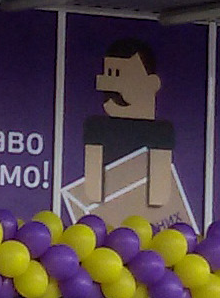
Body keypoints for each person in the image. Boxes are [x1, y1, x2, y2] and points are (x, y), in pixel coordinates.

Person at [63, 39, 192, 226]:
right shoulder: (97, 127)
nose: (113, 87)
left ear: (152, 83)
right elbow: (92, 191)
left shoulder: (160, 132)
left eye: (122, 76)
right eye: (110, 74)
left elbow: (159, 195)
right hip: (107, 225)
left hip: (145, 226)